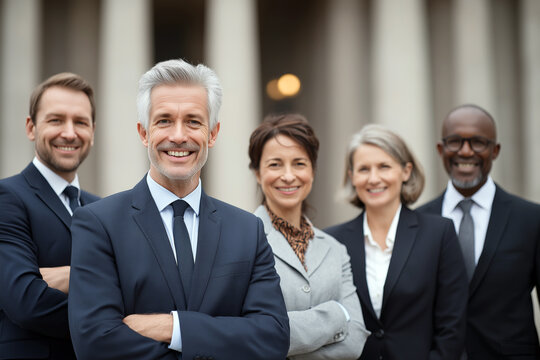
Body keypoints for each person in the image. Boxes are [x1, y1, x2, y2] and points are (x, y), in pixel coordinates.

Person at [67, 59, 290, 360]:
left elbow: (272, 337)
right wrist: (218, 339)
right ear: (144, 133)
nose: (179, 136)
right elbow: (95, 342)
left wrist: (175, 327)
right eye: (164, 121)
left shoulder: (247, 230)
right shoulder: (98, 224)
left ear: (212, 134)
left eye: (193, 121)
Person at [325, 124, 468, 360]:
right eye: (363, 169)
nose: (374, 178)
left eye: (384, 166)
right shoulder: (332, 240)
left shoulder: (438, 234)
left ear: (406, 171)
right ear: (352, 177)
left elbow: (452, 326)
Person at [417, 104, 540, 359]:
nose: (465, 151)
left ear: (495, 151)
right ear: (441, 149)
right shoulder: (417, 222)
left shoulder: (531, 219)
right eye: (455, 142)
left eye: (478, 142)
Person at [248, 114, 369, 359]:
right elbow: (251, 333)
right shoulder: (239, 241)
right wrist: (336, 314)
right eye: (275, 164)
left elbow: (355, 339)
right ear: (258, 173)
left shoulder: (335, 250)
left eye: (299, 163)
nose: (289, 175)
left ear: (313, 171)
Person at [0, 72, 99, 359]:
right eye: (56, 120)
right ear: (31, 127)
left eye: (80, 122)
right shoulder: (7, 198)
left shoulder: (103, 210)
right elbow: (26, 302)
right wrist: (110, 313)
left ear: (93, 131)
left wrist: (72, 275)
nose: (69, 133)